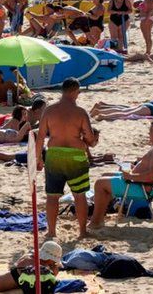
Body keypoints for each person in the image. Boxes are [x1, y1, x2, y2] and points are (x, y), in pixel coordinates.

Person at [35, 78, 95, 238]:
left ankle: (52, 231)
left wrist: (38, 158)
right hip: (76, 156)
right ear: (75, 91)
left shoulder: (49, 111)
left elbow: (40, 136)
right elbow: (90, 138)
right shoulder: (81, 112)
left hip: (54, 155)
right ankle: (82, 231)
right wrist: (92, 141)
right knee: (79, 195)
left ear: (62, 90)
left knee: (52, 196)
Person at [88, 120, 153, 230]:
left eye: (151, 131)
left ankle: (96, 221)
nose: (149, 134)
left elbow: (152, 175)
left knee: (100, 184)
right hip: (141, 184)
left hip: (140, 188)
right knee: (105, 175)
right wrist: (134, 169)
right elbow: (151, 170)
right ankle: (99, 216)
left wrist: (131, 176)